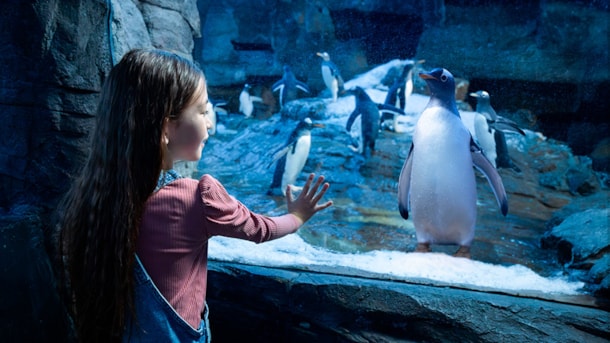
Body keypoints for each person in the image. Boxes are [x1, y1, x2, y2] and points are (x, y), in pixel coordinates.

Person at [56, 49, 333, 343]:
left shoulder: (96, 192)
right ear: (166, 126)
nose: (210, 122)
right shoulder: (196, 197)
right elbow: (260, 229)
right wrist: (298, 215)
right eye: (202, 111)